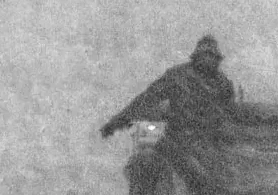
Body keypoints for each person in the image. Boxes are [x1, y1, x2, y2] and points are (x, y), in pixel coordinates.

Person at [100, 35, 236, 141]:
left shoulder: (224, 85)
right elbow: (145, 100)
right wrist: (115, 124)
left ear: (217, 59)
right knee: (150, 125)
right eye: (206, 55)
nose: (209, 60)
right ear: (197, 57)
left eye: (212, 56)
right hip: (175, 136)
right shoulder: (177, 76)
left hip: (208, 142)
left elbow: (229, 114)